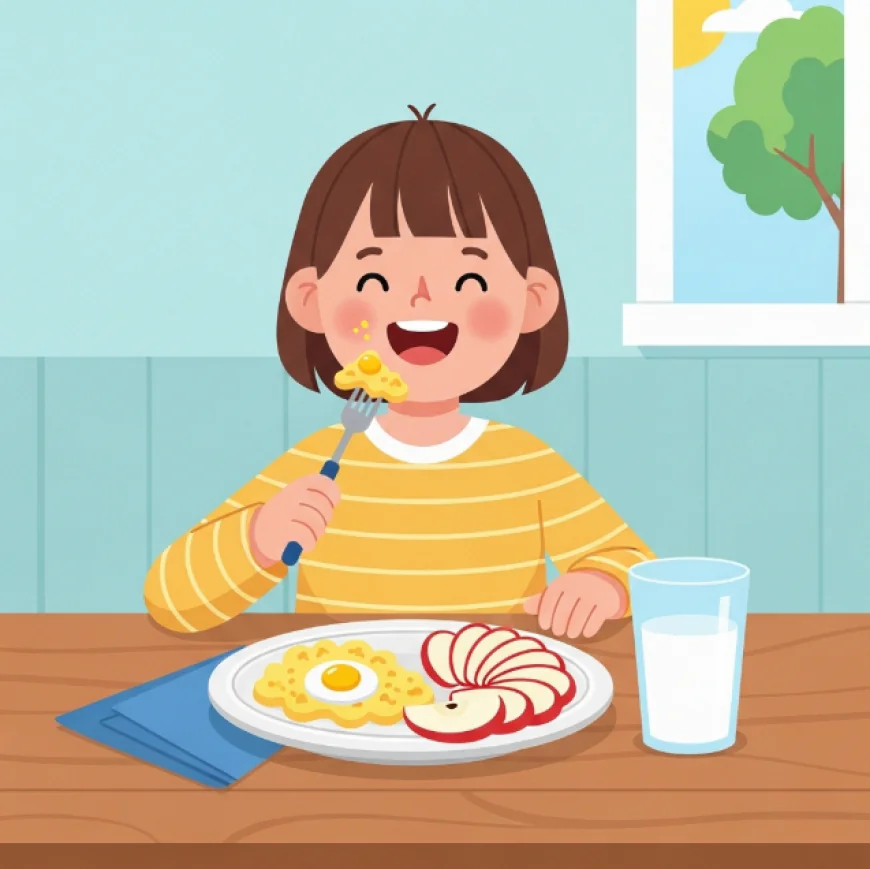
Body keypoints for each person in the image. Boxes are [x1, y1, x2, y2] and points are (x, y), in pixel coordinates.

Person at [143, 105, 655, 639]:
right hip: (339, 695)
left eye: (470, 280)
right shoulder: (318, 465)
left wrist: (600, 587)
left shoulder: (526, 464)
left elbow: (632, 566)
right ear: (310, 300)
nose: (421, 300)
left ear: (533, 301)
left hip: (490, 688)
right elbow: (171, 602)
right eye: (373, 280)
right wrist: (258, 539)